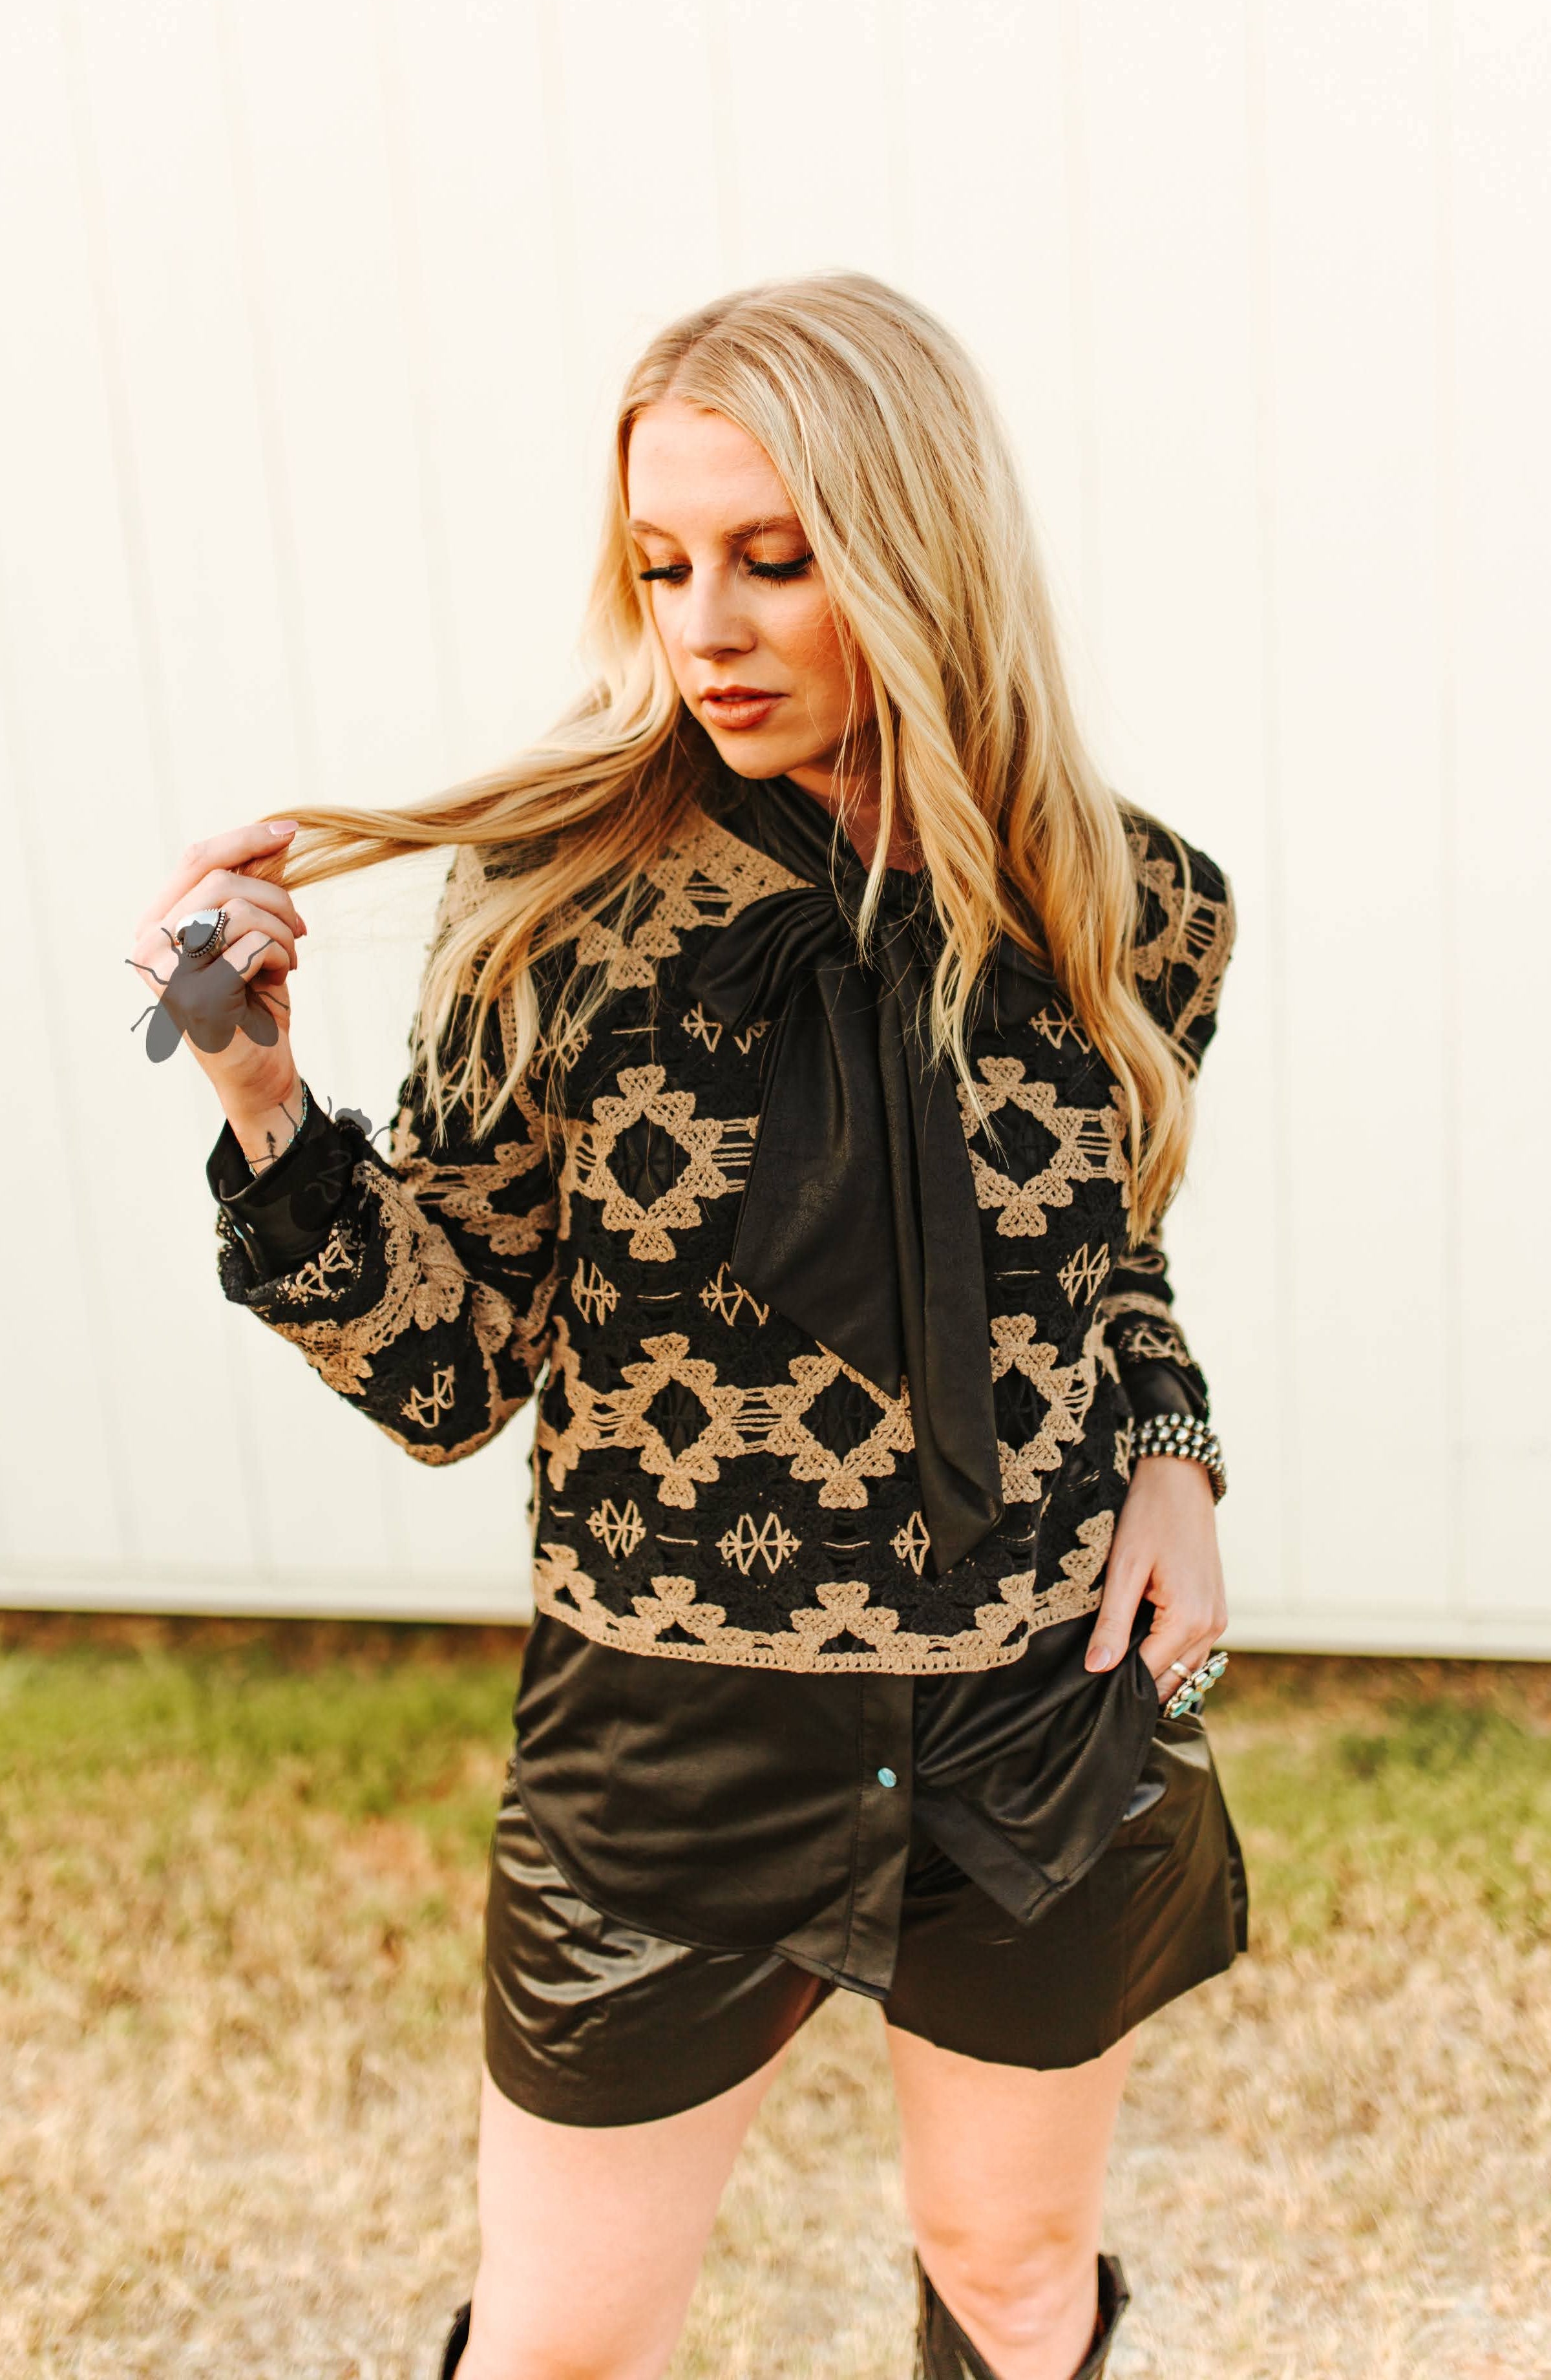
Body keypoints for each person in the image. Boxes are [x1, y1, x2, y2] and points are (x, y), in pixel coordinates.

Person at [131, 275, 1245, 2380]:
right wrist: (266, 1101)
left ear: (918, 553)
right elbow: (454, 1377)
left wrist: (1174, 1445)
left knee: (1014, 2284)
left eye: (774, 559)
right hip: (671, 1744)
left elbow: (1107, 1248)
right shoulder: (549, 910)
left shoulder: (1131, 899)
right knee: (562, 2350)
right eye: (661, 566)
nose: (703, 627)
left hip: (1035, 1711)